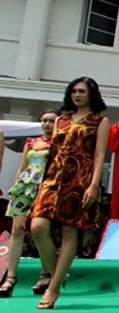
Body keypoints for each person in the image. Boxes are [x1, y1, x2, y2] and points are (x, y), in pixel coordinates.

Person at [30, 78, 110, 310]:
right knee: (37, 227)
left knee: (69, 232)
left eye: (82, 91)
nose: (77, 95)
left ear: (91, 94)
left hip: (79, 181)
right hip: (53, 179)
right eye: (74, 91)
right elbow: (53, 150)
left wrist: (94, 185)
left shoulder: (99, 121)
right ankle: (57, 272)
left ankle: (52, 289)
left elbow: (99, 155)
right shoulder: (61, 120)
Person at [0, 111, 57, 298]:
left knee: (39, 231)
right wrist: (17, 185)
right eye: (44, 120)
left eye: (51, 121)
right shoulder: (31, 142)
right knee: (17, 230)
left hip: (46, 187)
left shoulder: (59, 143)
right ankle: (10, 277)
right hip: (25, 187)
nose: (47, 124)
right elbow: (22, 167)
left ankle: (46, 274)